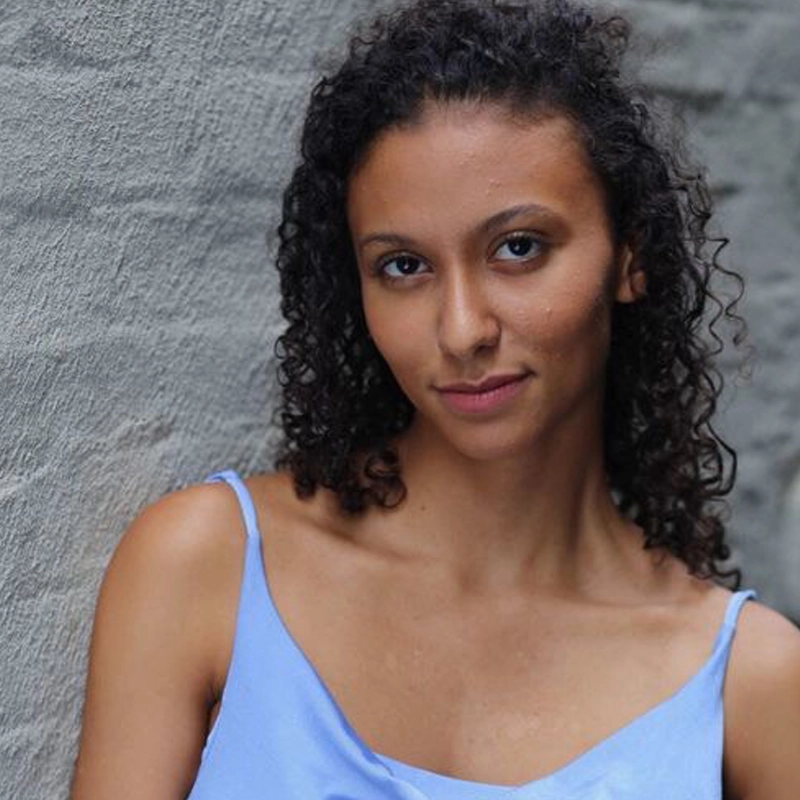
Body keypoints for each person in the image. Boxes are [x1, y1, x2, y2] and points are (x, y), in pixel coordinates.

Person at [70, 0, 800, 798]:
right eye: (404, 267)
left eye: (518, 248)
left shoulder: (751, 686)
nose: (461, 330)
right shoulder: (209, 566)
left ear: (630, 254)